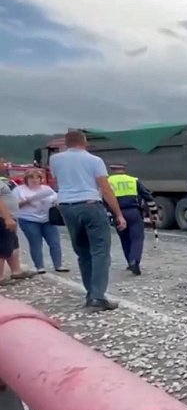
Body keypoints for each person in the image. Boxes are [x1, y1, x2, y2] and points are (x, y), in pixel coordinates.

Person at [49, 129, 126, 311]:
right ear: (84, 142)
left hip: (67, 207)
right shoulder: (94, 160)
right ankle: (97, 297)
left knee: (82, 252)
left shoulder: (55, 160)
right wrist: (118, 214)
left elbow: (58, 181)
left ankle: (90, 293)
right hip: (90, 205)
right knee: (100, 252)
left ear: (66, 143)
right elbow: (106, 189)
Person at [12, 169, 67, 274]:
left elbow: (56, 199)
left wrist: (56, 203)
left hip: (47, 219)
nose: (35, 180)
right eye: (31, 177)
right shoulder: (19, 190)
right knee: (36, 243)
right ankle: (39, 266)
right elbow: (14, 205)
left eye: (37, 177)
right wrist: (29, 200)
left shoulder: (47, 189)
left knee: (54, 242)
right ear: (26, 179)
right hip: (29, 219)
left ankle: (58, 265)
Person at [107, 163, 158, 275]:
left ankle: (130, 263)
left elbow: (104, 198)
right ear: (124, 169)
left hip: (118, 213)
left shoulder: (108, 181)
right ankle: (134, 260)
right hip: (134, 212)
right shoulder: (133, 180)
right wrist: (154, 212)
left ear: (112, 169)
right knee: (137, 238)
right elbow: (147, 196)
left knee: (124, 239)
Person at [0, 175, 34, 282]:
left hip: (8, 216)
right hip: (3, 217)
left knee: (13, 244)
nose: (4, 163)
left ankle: (16, 270)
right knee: (3, 246)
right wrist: (7, 218)